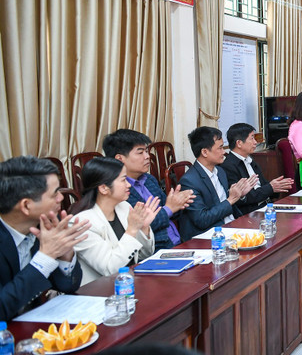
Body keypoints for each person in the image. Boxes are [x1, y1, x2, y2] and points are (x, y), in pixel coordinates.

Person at [0, 157, 89, 320]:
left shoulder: (43, 227)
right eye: (54, 193)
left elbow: (68, 286)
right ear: (26, 205)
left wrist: (65, 253)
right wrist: (45, 257)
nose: (61, 198)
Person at [70, 157, 159, 285]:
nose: (129, 184)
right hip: (99, 293)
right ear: (104, 188)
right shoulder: (82, 223)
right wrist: (132, 230)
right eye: (123, 180)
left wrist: (144, 228)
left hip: (129, 285)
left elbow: (144, 255)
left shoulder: (124, 207)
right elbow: (110, 268)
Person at [102, 129, 195, 251]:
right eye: (140, 153)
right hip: (155, 249)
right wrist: (170, 208)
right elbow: (141, 225)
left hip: (177, 242)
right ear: (120, 158)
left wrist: (180, 201)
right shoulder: (118, 190)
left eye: (146, 151)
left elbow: (168, 209)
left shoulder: (149, 179)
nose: (147, 157)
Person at [178, 127, 257, 241]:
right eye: (220, 148)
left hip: (231, 226)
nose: (224, 152)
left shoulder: (220, 172)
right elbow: (201, 219)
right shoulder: (189, 181)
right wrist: (230, 200)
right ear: (205, 152)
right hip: (210, 235)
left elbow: (225, 203)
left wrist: (240, 195)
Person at [220, 123, 294, 214]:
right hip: (250, 213)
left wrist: (277, 186)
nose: (255, 142)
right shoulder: (229, 166)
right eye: (251, 138)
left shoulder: (250, 160)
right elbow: (243, 198)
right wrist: (270, 187)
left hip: (266, 207)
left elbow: (264, 186)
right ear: (239, 143)